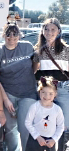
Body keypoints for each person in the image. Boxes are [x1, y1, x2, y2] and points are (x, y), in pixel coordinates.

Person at [0, 22, 37, 151]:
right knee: (10, 129)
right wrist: (5, 99)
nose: (11, 39)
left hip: (28, 93)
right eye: (8, 36)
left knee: (25, 126)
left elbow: (34, 67)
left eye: (15, 37)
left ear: (19, 37)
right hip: (8, 92)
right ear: (4, 36)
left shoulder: (27, 47)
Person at [33, 18, 69, 151]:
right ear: (42, 31)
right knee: (45, 123)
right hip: (44, 91)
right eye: (46, 29)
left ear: (59, 31)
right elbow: (34, 71)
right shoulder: (38, 51)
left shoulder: (66, 50)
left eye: (53, 29)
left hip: (62, 89)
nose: (49, 32)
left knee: (63, 124)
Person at [25, 76, 64, 151]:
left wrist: (54, 139)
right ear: (39, 92)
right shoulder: (35, 107)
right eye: (43, 92)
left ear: (55, 94)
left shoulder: (57, 109)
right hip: (35, 139)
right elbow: (28, 122)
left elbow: (60, 126)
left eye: (50, 94)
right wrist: (37, 137)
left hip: (50, 141)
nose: (47, 96)